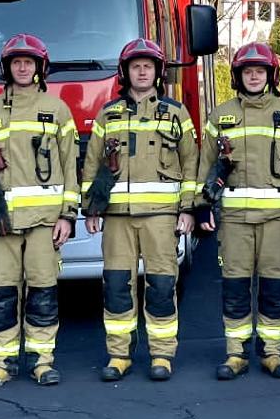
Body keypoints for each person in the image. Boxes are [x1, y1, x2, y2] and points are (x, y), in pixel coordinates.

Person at [0, 33, 80, 389]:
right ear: (7, 68)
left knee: (43, 293)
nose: (23, 67)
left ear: (40, 68)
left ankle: (42, 362)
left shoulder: (58, 110)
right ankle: (1, 363)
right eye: (17, 62)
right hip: (1, 225)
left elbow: (71, 165)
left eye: (28, 62)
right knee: (0, 294)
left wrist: (67, 215)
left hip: (45, 224)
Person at [82, 38, 198, 382]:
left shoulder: (176, 113)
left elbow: (191, 164)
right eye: (136, 66)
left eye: (148, 66)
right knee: (117, 287)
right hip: (117, 218)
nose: (143, 71)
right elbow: (91, 166)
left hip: (161, 218)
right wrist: (91, 209)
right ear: (125, 72)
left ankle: (162, 356)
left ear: (158, 72)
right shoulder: (108, 115)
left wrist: (189, 209)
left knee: (162, 286)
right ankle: (119, 355)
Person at [196, 42, 280, 381]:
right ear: (237, 76)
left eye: (259, 71)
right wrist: (203, 206)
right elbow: (205, 166)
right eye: (247, 71)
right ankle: (236, 354)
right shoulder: (220, 117)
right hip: (233, 221)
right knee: (234, 287)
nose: (253, 76)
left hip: (277, 220)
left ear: (270, 75)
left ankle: (272, 353)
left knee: (274, 288)